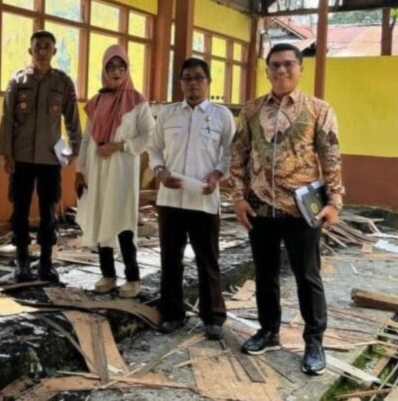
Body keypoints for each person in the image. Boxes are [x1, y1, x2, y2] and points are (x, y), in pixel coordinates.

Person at [229, 43, 344, 375]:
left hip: (302, 211)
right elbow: (238, 156)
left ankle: (314, 341)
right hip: (260, 208)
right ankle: (269, 330)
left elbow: (331, 158)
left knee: (307, 276)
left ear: (300, 69)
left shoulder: (319, 110)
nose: (281, 70)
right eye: (275, 65)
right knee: (264, 274)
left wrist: (334, 202)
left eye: (288, 64)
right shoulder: (251, 110)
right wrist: (237, 198)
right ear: (266, 71)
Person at [147, 58, 234, 338]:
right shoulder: (168, 114)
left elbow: (230, 154)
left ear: (208, 82)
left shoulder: (221, 116)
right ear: (181, 83)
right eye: (187, 78)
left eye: (198, 77)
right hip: (170, 199)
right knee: (170, 259)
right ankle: (172, 314)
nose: (193, 83)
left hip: (204, 200)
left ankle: (213, 317)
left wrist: (217, 174)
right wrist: (160, 171)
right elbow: (154, 149)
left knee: (208, 260)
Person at [0, 30, 82, 283]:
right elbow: (7, 118)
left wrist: (76, 148)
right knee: (20, 209)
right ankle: (22, 262)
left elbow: (72, 117)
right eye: (38, 47)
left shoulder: (63, 82)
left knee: (48, 211)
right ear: (30, 50)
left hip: (49, 158)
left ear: (54, 51)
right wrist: (6, 153)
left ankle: (46, 263)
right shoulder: (17, 80)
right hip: (21, 157)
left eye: (47, 47)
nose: (42, 52)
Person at [75, 45, 155, 298]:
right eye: (111, 67)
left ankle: (132, 277)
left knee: (123, 219)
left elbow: (149, 136)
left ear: (127, 69)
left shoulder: (137, 101)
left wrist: (120, 146)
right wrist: (80, 170)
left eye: (121, 67)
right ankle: (108, 274)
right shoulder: (97, 102)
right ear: (104, 70)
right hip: (97, 168)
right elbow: (87, 138)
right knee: (101, 217)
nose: (116, 72)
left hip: (122, 169)